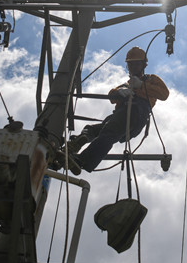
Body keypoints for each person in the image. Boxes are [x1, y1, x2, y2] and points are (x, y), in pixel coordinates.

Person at [64, 46, 169, 175]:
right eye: (131, 64)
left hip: (136, 113)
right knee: (93, 129)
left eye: (136, 64)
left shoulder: (151, 80)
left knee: (109, 133)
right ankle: (77, 143)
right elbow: (112, 96)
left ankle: (83, 161)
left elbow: (164, 94)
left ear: (143, 65)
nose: (133, 67)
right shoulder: (127, 84)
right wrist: (118, 92)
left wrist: (142, 86)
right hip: (119, 115)